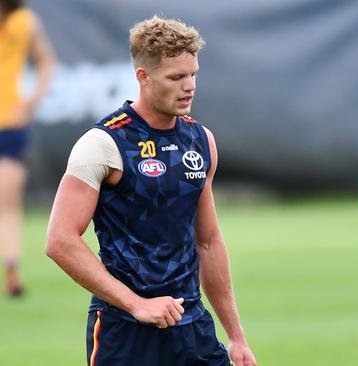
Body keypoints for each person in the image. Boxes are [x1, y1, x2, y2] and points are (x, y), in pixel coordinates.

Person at [45, 16, 256, 366]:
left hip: (192, 329)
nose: (189, 86)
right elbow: (60, 240)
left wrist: (236, 336)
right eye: (176, 77)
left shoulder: (201, 141)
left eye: (193, 74)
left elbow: (208, 242)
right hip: (124, 333)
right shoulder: (103, 144)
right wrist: (137, 304)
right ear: (143, 77)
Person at [0, 0, 55, 297]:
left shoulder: (24, 22)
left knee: (8, 200)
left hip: (10, 123)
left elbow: (46, 60)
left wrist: (32, 101)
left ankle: (11, 268)